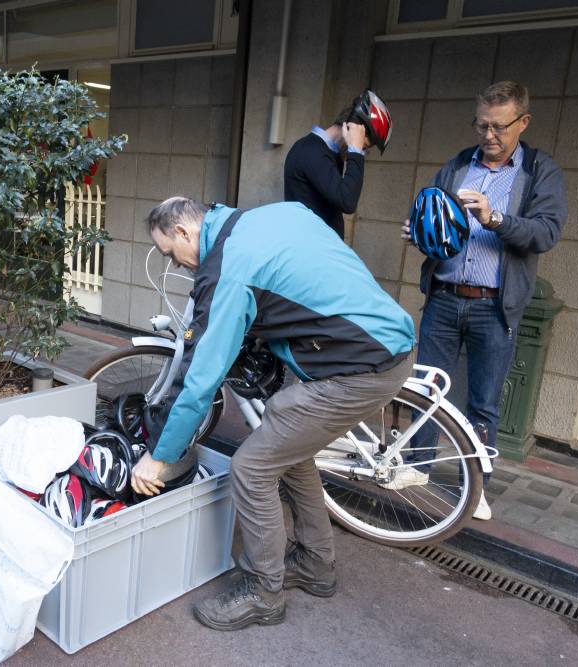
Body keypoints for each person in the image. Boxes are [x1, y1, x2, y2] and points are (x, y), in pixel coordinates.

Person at [130, 196, 415, 631]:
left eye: (172, 254)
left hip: (361, 367)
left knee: (252, 467)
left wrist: (161, 455)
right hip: (380, 343)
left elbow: (201, 379)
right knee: (286, 445)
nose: (180, 266)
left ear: (186, 232)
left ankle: (263, 592)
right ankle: (316, 564)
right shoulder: (268, 215)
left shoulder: (231, 269)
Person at [397, 81, 567, 520]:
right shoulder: (458, 165)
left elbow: (546, 232)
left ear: (523, 122)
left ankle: (477, 488)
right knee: (426, 387)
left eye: (499, 127)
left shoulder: (539, 172)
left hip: (496, 305)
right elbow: (432, 213)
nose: (489, 135)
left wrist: (496, 218)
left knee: (484, 402)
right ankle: (415, 468)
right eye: (482, 125)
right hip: (445, 297)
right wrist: (420, 232)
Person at [283, 90, 392, 239]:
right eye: (364, 147)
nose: (362, 152)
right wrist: (355, 150)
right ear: (352, 127)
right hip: (306, 253)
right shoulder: (312, 152)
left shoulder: (329, 155)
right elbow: (347, 201)